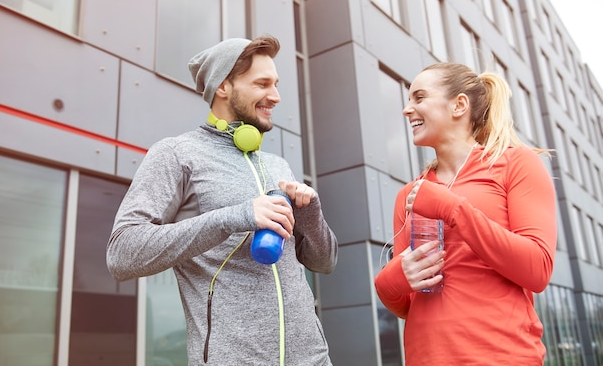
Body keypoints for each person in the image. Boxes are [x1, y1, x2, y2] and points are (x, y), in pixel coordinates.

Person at [106, 34, 338, 366]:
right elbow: (122, 254)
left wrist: (311, 214)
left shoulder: (276, 164)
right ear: (223, 86)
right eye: (262, 84)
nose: (275, 96)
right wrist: (235, 216)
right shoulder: (177, 155)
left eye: (276, 84)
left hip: (314, 360)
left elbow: (324, 263)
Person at [374, 62, 557, 365]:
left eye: (419, 98)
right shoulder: (409, 195)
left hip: (503, 357)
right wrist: (389, 281)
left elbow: (537, 269)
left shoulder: (516, 164)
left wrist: (452, 208)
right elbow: (407, 303)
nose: (407, 110)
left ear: (459, 105)